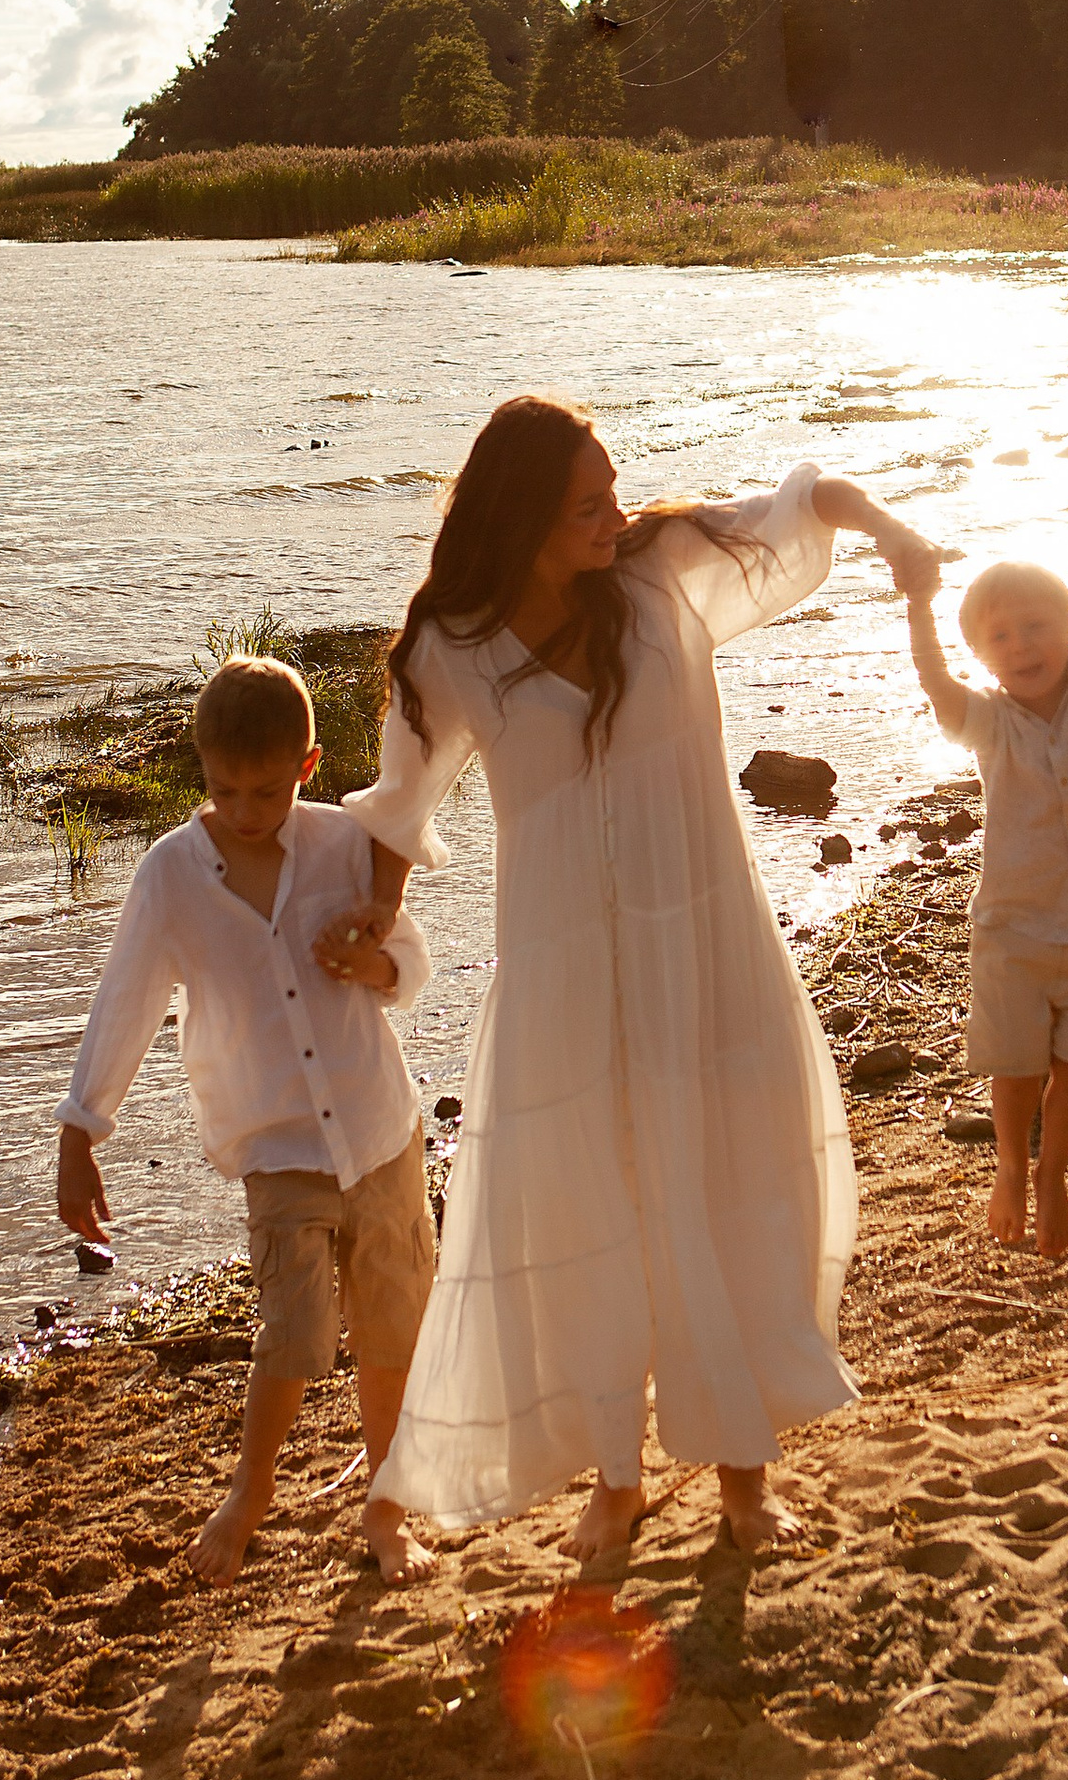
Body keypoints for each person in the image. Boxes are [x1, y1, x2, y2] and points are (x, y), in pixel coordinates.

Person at [327, 396, 942, 1568]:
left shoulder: (659, 569)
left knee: (730, 1190)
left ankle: (744, 1481)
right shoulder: (450, 646)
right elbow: (400, 810)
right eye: (584, 504)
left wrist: (896, 535)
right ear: (516, 518)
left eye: (611, 488)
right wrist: (377, 923)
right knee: (588, 1217)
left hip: (706, 948)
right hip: (564, 973)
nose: (613, 514)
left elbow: (804, 500)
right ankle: (615, 1479)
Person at [55, 655, 435, 1588]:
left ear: (307, 768)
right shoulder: (172, 877)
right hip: (278, 1149)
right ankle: (249, 1495)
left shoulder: (349, 844)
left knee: (392, 1331)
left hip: (381, 1130)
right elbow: (125, 1003)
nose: (245, 806)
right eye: (224, 788)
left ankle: (385, 1506)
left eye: (266, 788)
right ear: (201, 770)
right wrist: (80, 1131)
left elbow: (411, 959)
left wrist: (377, 967)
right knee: (295, 1334)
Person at [905, 501, 1068, 1258]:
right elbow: (932, 678)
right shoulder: (986, 720)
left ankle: (1054, 1176)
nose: (1022, 645)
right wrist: (921, 604)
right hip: (1015, 933)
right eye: (1001, 636)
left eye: (1036, 626)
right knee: (1018, 1073)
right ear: (983, 656)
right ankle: (1013, 1167)